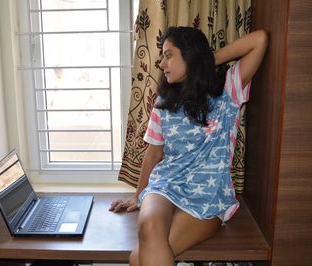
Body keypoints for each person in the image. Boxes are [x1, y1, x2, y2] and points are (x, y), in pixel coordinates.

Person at [109, 26, 268, 266]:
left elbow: (260, 40)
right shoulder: (163, 101)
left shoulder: (228, 89)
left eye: (168, 54)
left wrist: (204, 61)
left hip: (207, 196)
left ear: (190, 55)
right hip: (165, 185)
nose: (162, 63)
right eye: (162, 56)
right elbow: (153, 154)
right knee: (149, 224)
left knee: (139, 258)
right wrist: (138, 196)